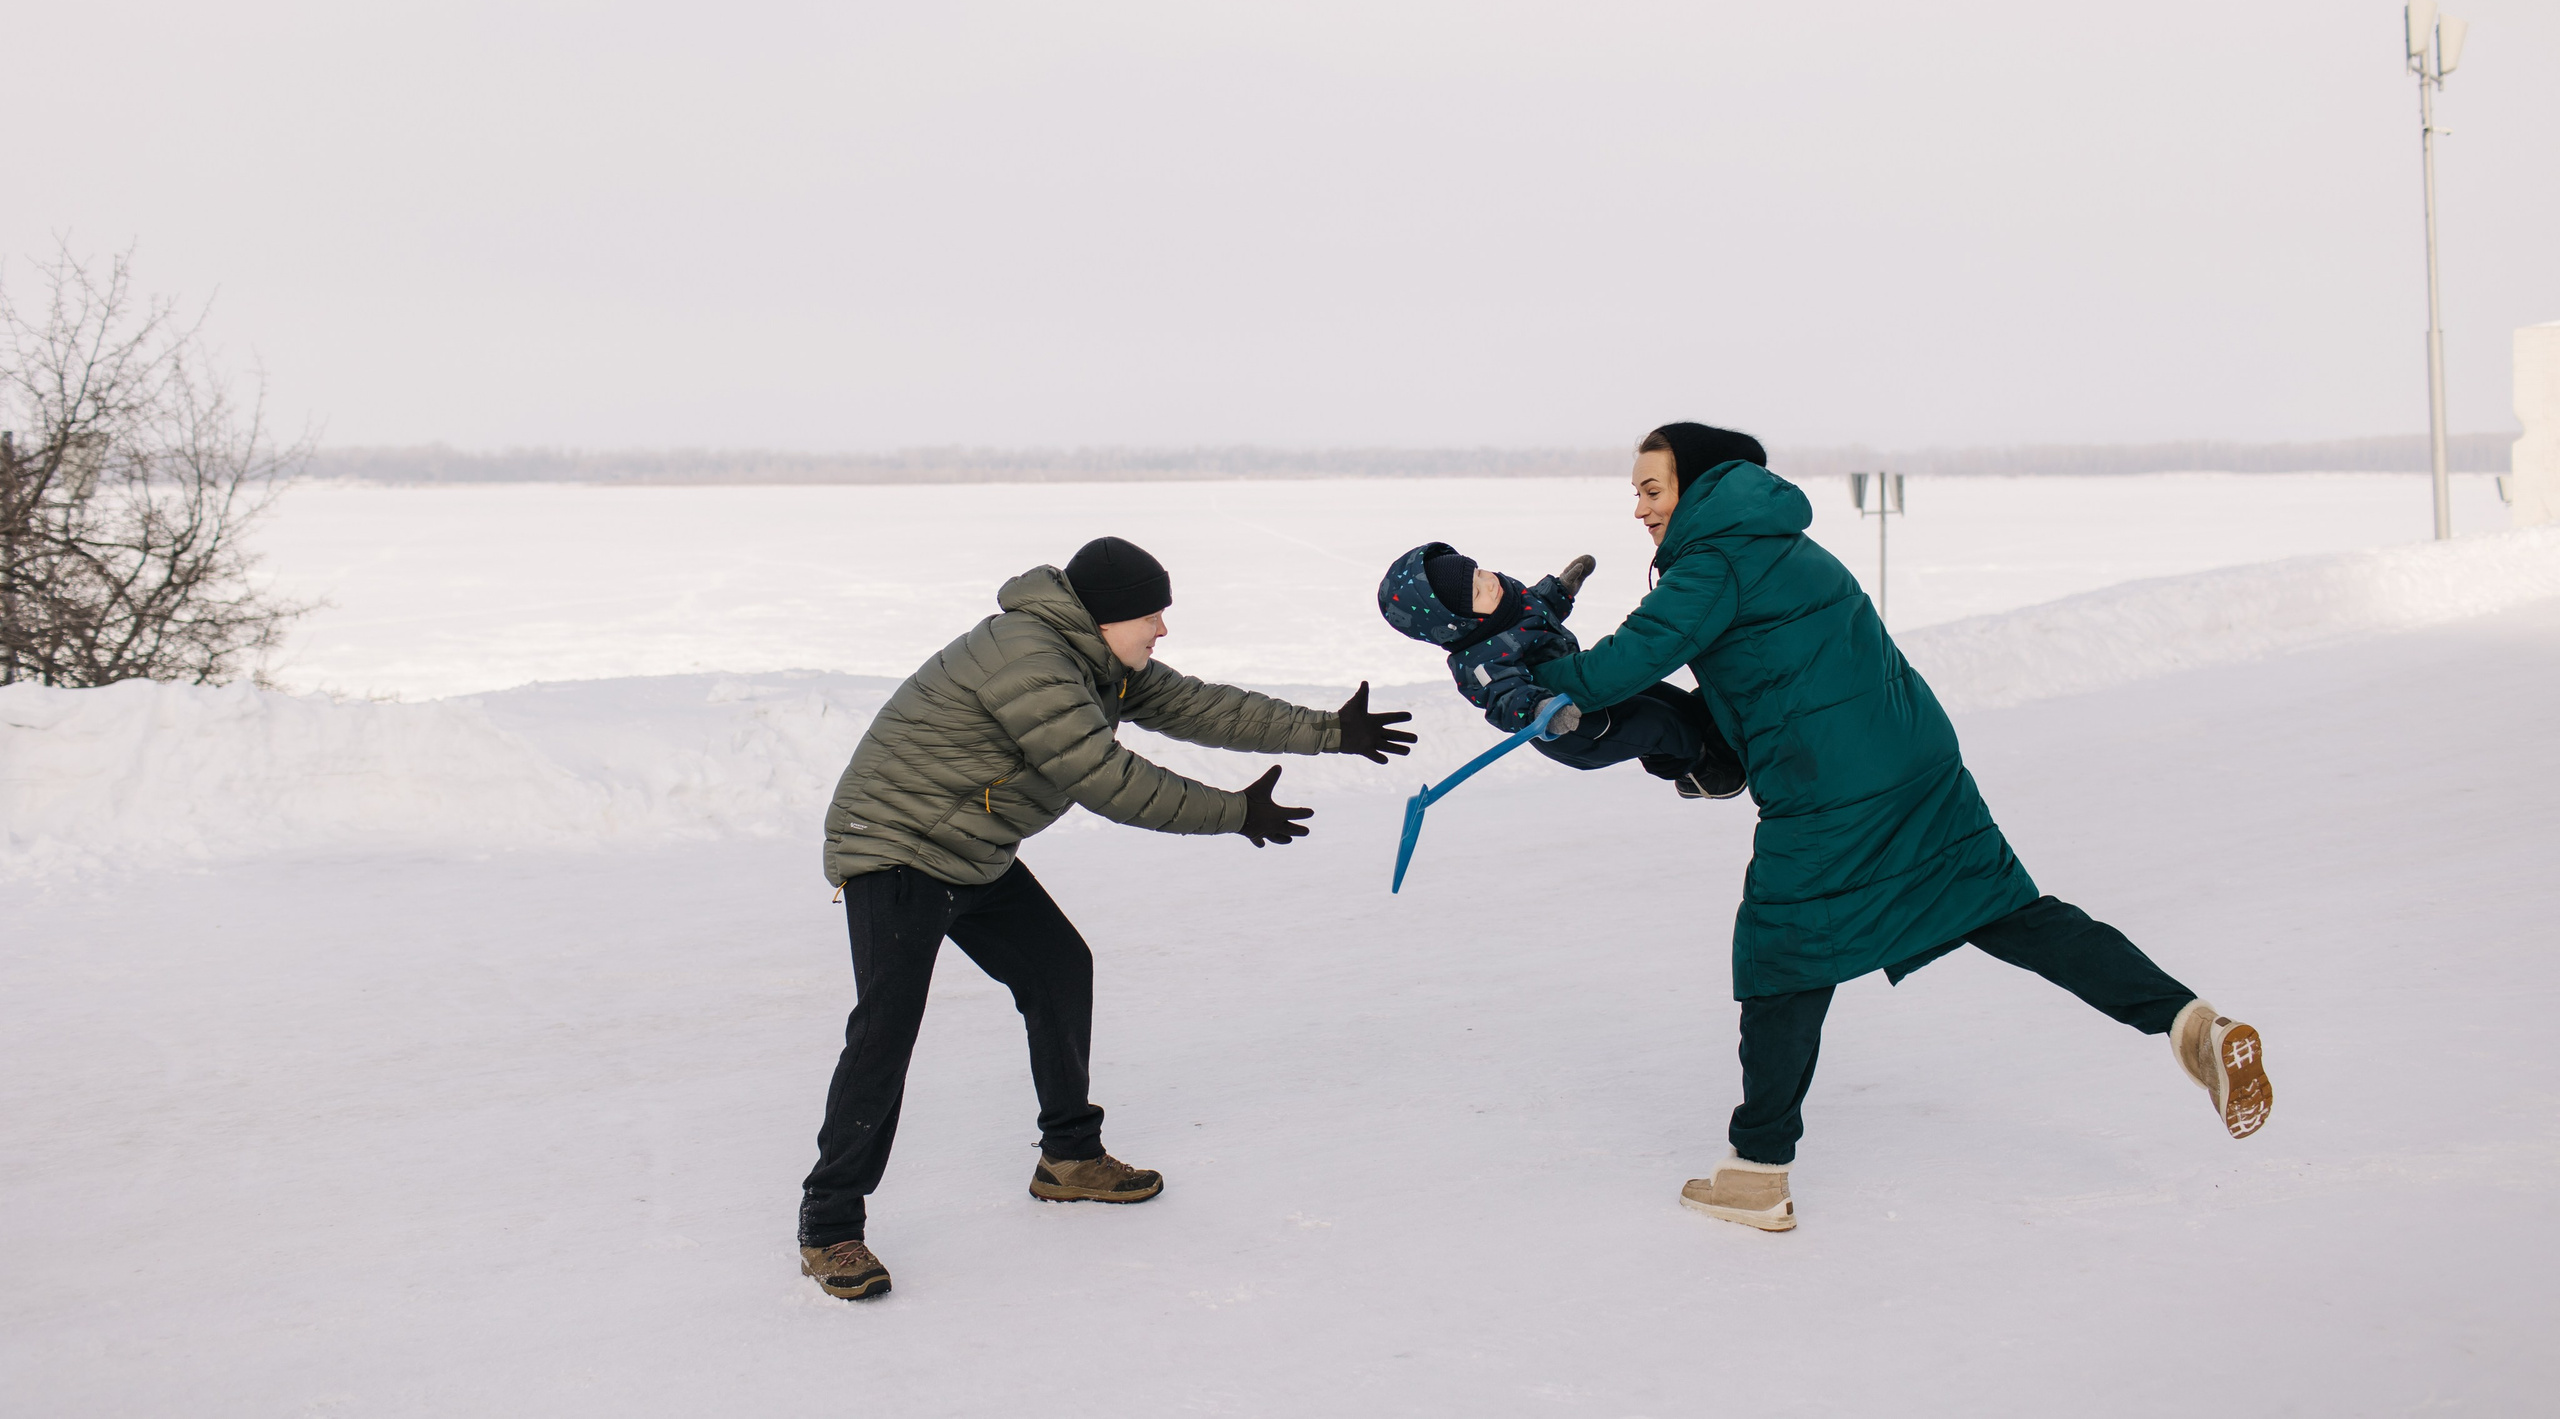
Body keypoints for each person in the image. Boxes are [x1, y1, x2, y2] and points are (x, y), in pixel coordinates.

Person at [1529, 423, 2272, 1232]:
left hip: (1830, 793)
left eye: (1651, 488)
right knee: (2017, 916)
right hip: (1918, 764)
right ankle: (2191, 1022)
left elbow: (1618, 668)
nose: (1638, 508)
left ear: (1697, 484)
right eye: (1635, 492)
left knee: (1782, 955)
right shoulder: (1782, 541)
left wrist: (1524, 674)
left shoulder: (1712, 560)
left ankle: (1757, 1170)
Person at [797, 536, 1416, 1299]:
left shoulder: (1097, 661)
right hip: (895, 844)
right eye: (1151, 613)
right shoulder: (1031, 661)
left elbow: (1200, 704)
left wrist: (1331, 730)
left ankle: (1069, 1157)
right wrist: (1234, 812)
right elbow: (1108, 779)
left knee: (1059, 967)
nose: (1161, 629)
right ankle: (830, 1225)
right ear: (1105, 615)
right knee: (888, 1023)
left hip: (972, 847)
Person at [1375, 542, 1742, 797]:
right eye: (1476, 591)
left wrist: (1562, 587)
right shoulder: (1477, 660)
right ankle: (1701, 773)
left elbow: (1540, 606)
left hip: (1583, 686)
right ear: (1459, 622)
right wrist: (1537, 710)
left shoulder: (1509, 601)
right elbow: (1504, 698)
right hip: (1572, 728)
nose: (1488, 581)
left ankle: (1716, 725)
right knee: (1660, 726)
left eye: (1478, 571)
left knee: (1660, 695)